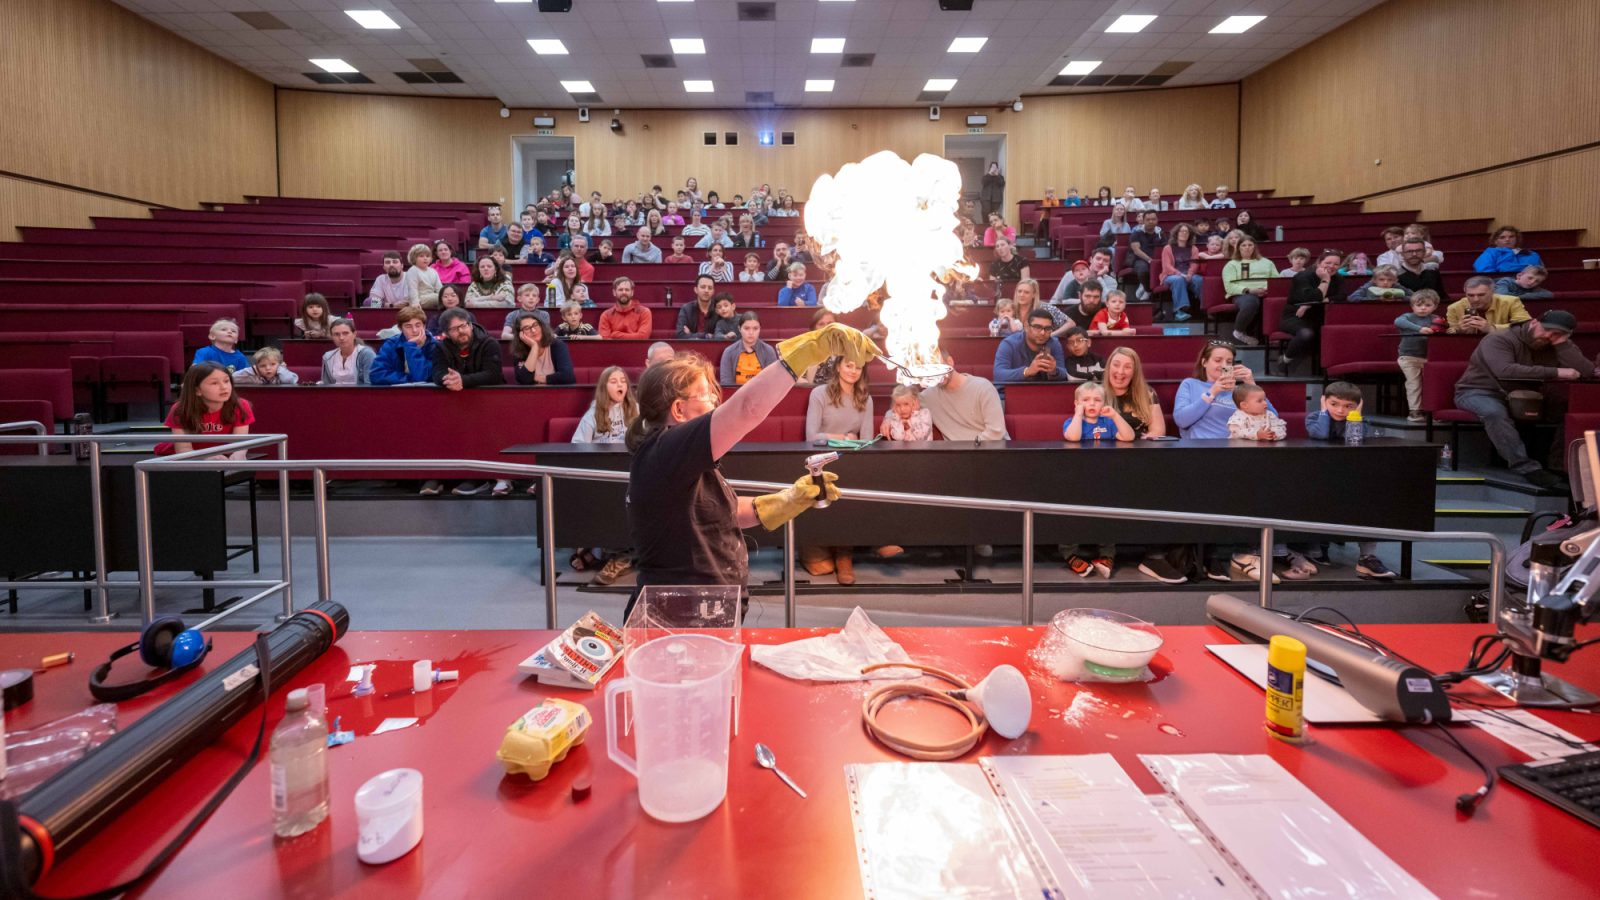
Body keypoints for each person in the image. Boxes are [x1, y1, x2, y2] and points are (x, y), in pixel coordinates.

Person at [623, 324, 879, 615]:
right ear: (679, 411)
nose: (716, 403)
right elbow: (746, 409)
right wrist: (806, 354)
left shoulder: (676, 459)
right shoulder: (665, 450)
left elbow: (717, 512)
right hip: (676, 619)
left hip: (701, 613)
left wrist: (786, 500)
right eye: (707, 396)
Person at [1454, 311, 1593, 490]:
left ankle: (1557, 466)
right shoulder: (1499, 339)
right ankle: (1526, 468)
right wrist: (1555, 372)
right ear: (1534, 322)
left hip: (1528, 395)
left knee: (1567, 409)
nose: (1549, 336)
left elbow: (1587, 371)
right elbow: (1504, 370)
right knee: (1493, 412)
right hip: (1479, 391)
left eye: (1557, 334)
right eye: (1547, 330)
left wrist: (1562, 345)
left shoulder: (1556, 342)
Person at [1296, 382, 1397, 578]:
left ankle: (1367, 557)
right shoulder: (1315, 417)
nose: (1341, 410)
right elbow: (1320, 434)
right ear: (1325, 402)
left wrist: (1355, 416)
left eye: (1348, 406)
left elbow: (1354, 438)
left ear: (1357, 406)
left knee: (1367, 504)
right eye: (1334, 404)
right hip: (1320, 474)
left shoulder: (1360, 421)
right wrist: (1325, 411)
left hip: (1350, 474)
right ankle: (1318, 547)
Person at [154, 363, 255, 456]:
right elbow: (183, 449)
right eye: (214, 383)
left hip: (223, 455)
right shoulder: (180, 409)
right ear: (197, 390)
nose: (224, 387)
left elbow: (240, 445)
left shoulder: (240, 405)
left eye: (226, 381)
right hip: (185, 456)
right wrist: (205, 459)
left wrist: (238, 456)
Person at [1174, 342, 1270, 439]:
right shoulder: (1190, 384)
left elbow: (1272, 418)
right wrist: (1212, 392)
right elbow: (1181, 421)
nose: (1224, 365)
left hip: (1237, 447)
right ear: (1204, 362)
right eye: (1218, 360)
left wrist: (1251, 385)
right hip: (1201, 447)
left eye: (1229, 362)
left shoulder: (1241, 391)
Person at [1276, 250, 1343, 375]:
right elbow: (1314, 296)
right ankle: (1285, 360)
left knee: (1330, 333)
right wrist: (1325, 280)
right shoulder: (1303, 277)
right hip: (1295, 316)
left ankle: (1323, 371)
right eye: (1328, 263)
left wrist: (1308, 305)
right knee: (1306, 334)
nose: (1332, 267)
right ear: (1319, 263)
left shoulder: (1338, 278)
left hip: (1320, 316)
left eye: (1336, 264)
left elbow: (1341, 296)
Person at [1394, 289, 1444, 422]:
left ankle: (1433, 410)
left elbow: (1443, 330)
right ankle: (1415, 411)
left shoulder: (1435, 319)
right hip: (1408, 357)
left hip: (1428, 357)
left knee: (1431, 384)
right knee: (1414, 383)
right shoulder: (1407, 317)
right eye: (1419, 305)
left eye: (1427, 305)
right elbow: (1398, 322)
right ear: (1412, 306)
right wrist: (1420, 329)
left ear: (1435, 306)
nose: (1423, 308)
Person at [993, 308, 1067, 383]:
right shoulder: (1009, 344)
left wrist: (1054, 371)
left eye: (1048, 328)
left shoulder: (1054, 343)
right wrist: (1027, 371)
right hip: (1015, 392)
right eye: (1037, 327)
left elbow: (1064, 374)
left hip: (1045, 391)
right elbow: (998, 374)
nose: (1042, 332)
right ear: (1026, 327)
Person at [369, 306, 435, 386]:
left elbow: (420, 376)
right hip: (396, 395)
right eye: (408, 326)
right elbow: (376, 375)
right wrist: (409, 379)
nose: (414, 330)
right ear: (400, 329)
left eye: (418, 325)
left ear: (424, 326)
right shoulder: (391, 344)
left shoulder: (434, 346)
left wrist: (411, 347)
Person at [1446, 275, 1532, 334]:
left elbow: (1525, 326)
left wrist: (1492, 328)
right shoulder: (1454, 308)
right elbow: (1450, 331)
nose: (1475, 299)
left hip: (1502, 345)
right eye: (1470, 295)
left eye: (1481, 295)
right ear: (1465, 292)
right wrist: (1459, 330)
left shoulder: (1511, 302)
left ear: (1492, 292)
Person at [512, 313, 575, 386]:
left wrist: (541, 378)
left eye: (535, 325)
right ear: (520, 334)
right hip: (530, 395)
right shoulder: (519, 351)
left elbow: (568, 377)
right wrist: (534, 347)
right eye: (527, 328)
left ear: (541, 326)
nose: (533, 330)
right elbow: (524, 380)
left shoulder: (557, 345)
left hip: (557, 394)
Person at [1158, 223, 1202, 322]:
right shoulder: (1168, 248)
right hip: (1170, 275)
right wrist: (1180, 274)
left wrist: (1190, 274)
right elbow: (1167, 266)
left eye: (1186, 232)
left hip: (1189, 274)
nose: (1184, 233)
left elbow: (1195, 264)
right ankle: (1180, 310)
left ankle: (1204, 306)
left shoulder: (1194, 248)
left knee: (1199, 280)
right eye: (1181, 231)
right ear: (1176, 233)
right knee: (1179, 280)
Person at [1064, 381, 1133, 443]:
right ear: (1077, 404)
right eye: (1086, 400)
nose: (1092, 403)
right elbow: (1073, 438)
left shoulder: (1109, 422)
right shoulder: (1071, 422)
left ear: (1104, 404)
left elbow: (1129, 437)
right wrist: (1078, 414)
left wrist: (1115, 415)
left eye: (1097, 400)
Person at [719, 312, 777, 385]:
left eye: (755, 328)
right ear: (739, 329)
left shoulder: (768, 351)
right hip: (737, 394)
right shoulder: (729, 352)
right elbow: (726, 383)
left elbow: (772, 381)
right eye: (746, 328)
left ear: (760, 329)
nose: (751, 332)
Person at [1051, 249, 1117, 304]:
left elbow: (1107, 302)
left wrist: (1099, 277)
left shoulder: (1111, 282)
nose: (1101, 262)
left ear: (1109, 264)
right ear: (1091, 259)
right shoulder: (1070, 275)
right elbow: (1057, 299)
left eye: (1105, 261)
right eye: (1098, 258)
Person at [1127, 210, 1163, 301]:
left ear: (1157, 220)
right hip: (1141, 259)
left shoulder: (1160, 233)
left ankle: (1146, 286)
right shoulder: (1136, 233)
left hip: (1157, 259)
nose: (1151, 221)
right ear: (1143, 220)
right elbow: (1136, 250)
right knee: (1143, 270)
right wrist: (1150, 260)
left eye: (1153, 219)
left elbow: (1165, 248)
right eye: (1148, 219)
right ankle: (1147, 289)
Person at [1474, 226, 1543, 273]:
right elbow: (1485, 271)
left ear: (1517, 239)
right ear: (1495, 241)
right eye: (1502, 237)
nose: (1507, 239)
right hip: (1500, 283)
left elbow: (1539, 272)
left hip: (1529, 283)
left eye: (1511, 237)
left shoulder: (1531, 254)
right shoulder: (1490, 253)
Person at [401, 243, 442, 309]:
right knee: (439, 297)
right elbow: (412, 289)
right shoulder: (413, 270)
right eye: (421, 256)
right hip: (419, 299)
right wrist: (415, 303)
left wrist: (444, 295)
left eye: (427, 256)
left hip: (432, 297)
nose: (425, 258)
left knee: (446, 296)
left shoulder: (433, 271)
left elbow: (439, 288)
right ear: (414, 258)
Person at [232, 346, 299, 385]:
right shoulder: (254, 377)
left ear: (279, 364)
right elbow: (232, 378)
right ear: (257, 367)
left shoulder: (281, 374)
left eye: (273, 364)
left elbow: (291, 380)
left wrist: (281, 369)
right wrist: (252, 369)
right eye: (263, 366)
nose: (268, 368)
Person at [1348, 265, 1413, 301]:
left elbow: (1415, 297)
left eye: (1390, 280)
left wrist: (1399, 298)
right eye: (1381, 279)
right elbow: (1352, 297)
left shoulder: (1396, 286)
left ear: (1395, 281)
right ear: (1374, 280)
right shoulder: (1369, 285)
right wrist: (1377, 299)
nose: (1385, 282)